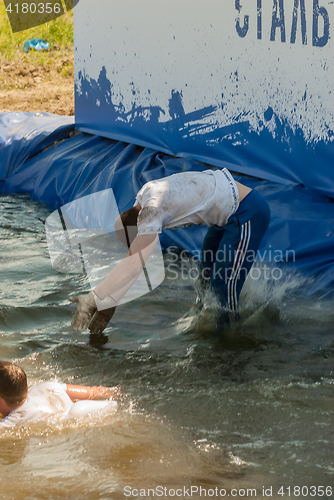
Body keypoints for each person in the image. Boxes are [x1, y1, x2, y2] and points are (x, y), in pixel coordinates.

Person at [70, 167, 270, 335]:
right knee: (204, 281)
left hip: (247, 212)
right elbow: (134, 261)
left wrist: (92, 297)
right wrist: (111, 302)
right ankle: (207, 329)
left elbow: (132, 265)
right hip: (226, 211)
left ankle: (229, 346)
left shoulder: (151, 212)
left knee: (222, 288)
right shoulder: (143, 197)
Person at [0, 360, 120, 428]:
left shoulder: (15, 417)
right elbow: (89, 392)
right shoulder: (42, 387)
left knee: (75, 413)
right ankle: (115, 398)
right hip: (79, 406)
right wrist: (107, 392)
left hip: (75, 414)